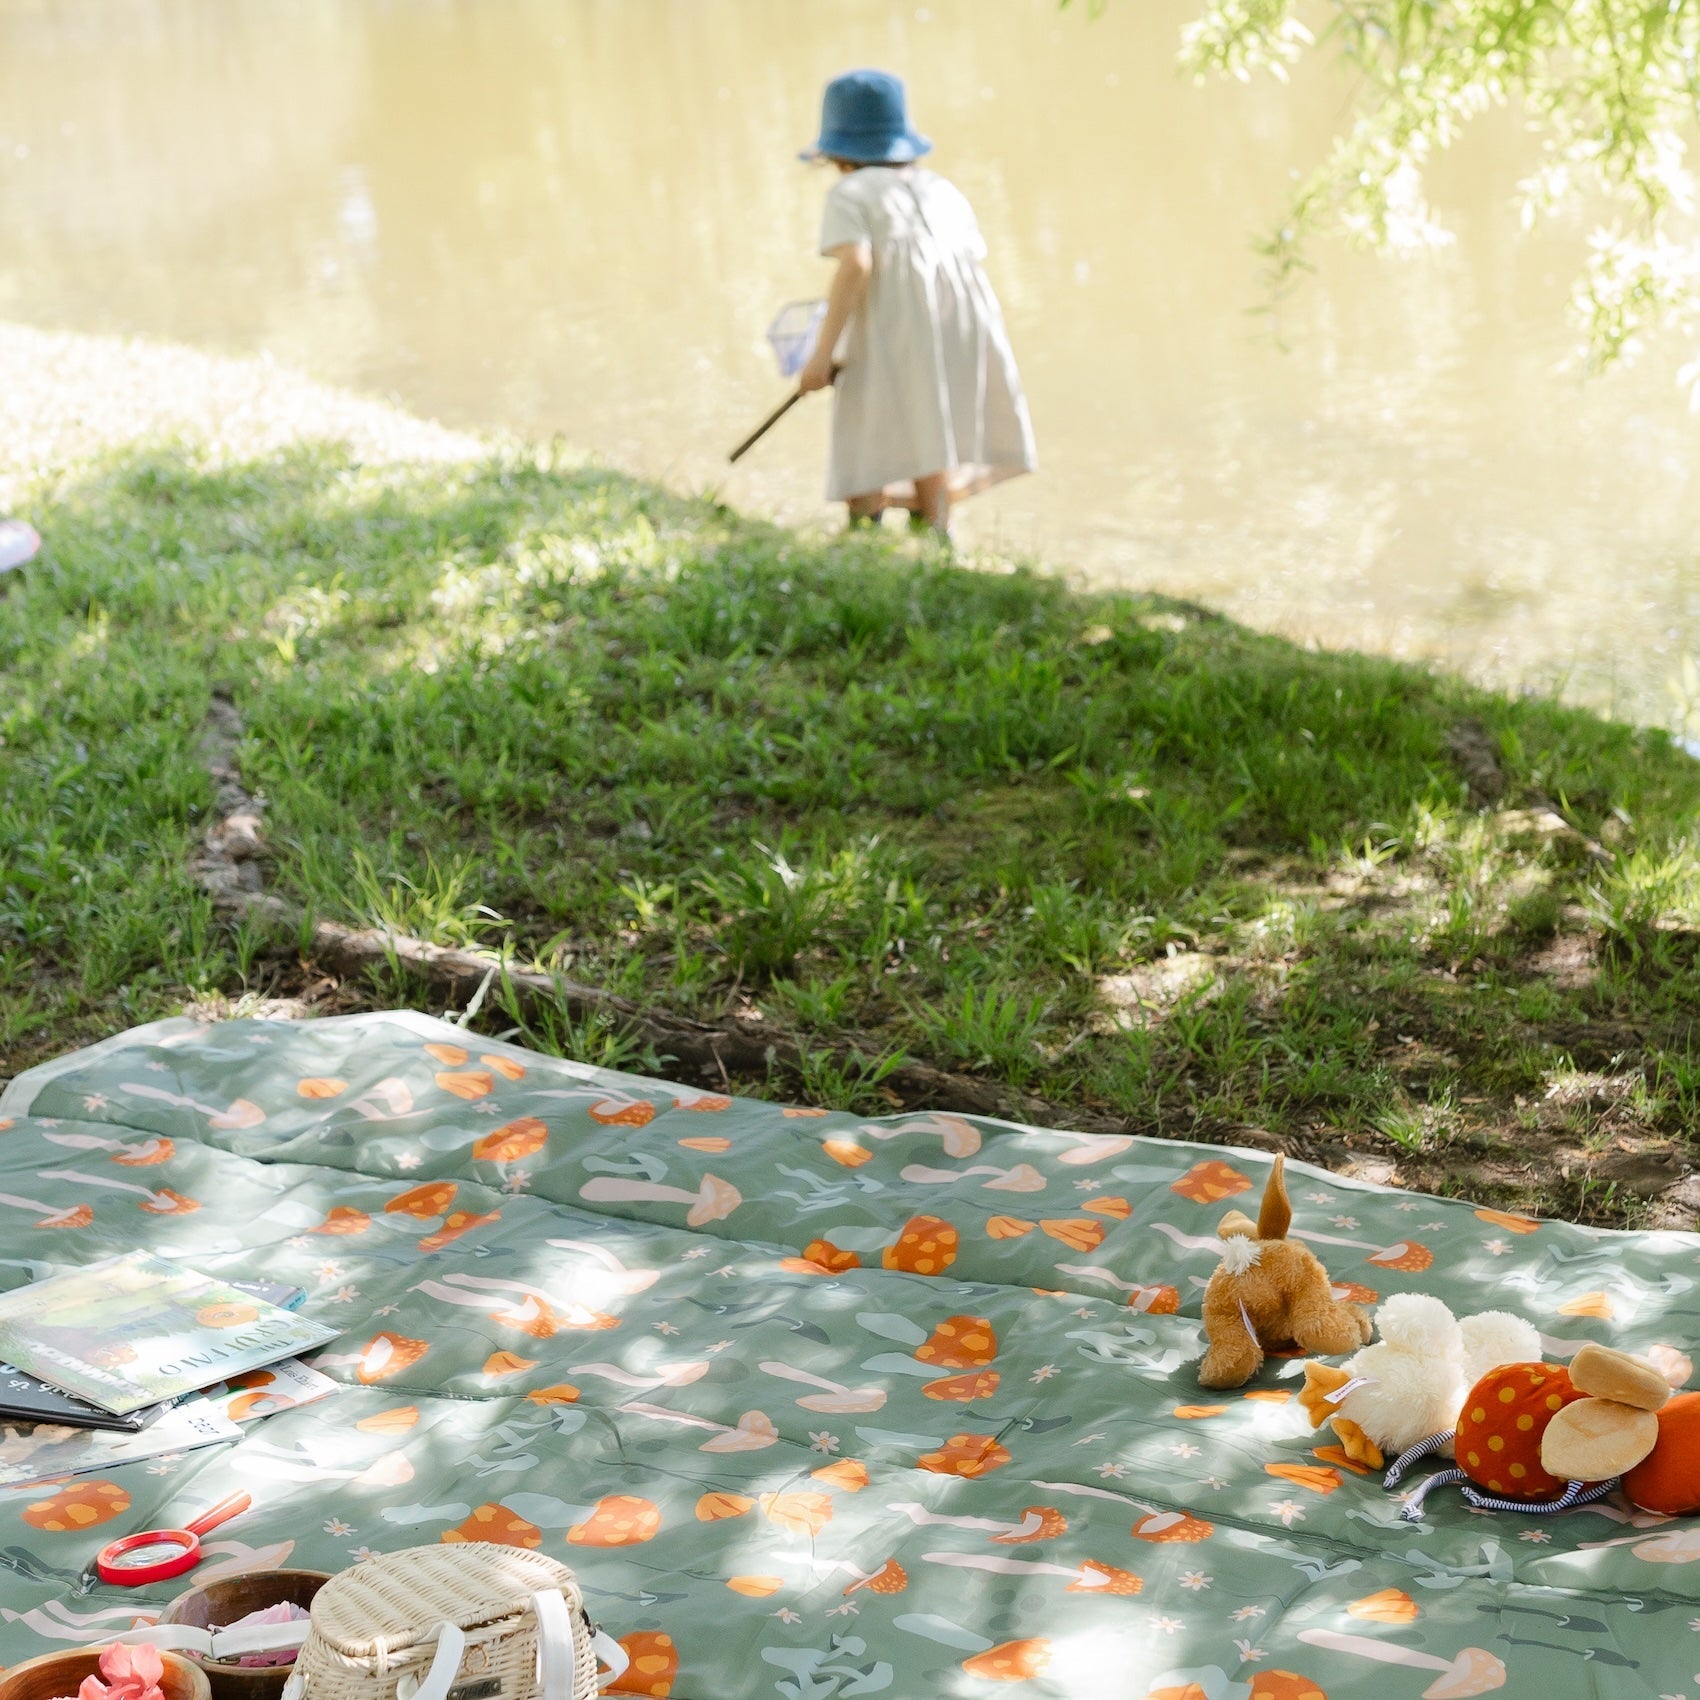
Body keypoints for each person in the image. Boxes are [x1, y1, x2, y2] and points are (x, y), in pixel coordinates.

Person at [797, 69, 1036, 540]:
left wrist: (821, 355)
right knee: (933, 414)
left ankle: (863, 529)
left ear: (838, 151)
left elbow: (857, 266)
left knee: (867, 419)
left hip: (893, 331)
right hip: (958, 330)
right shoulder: (941, 190)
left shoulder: (850, 193)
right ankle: (936, 528)